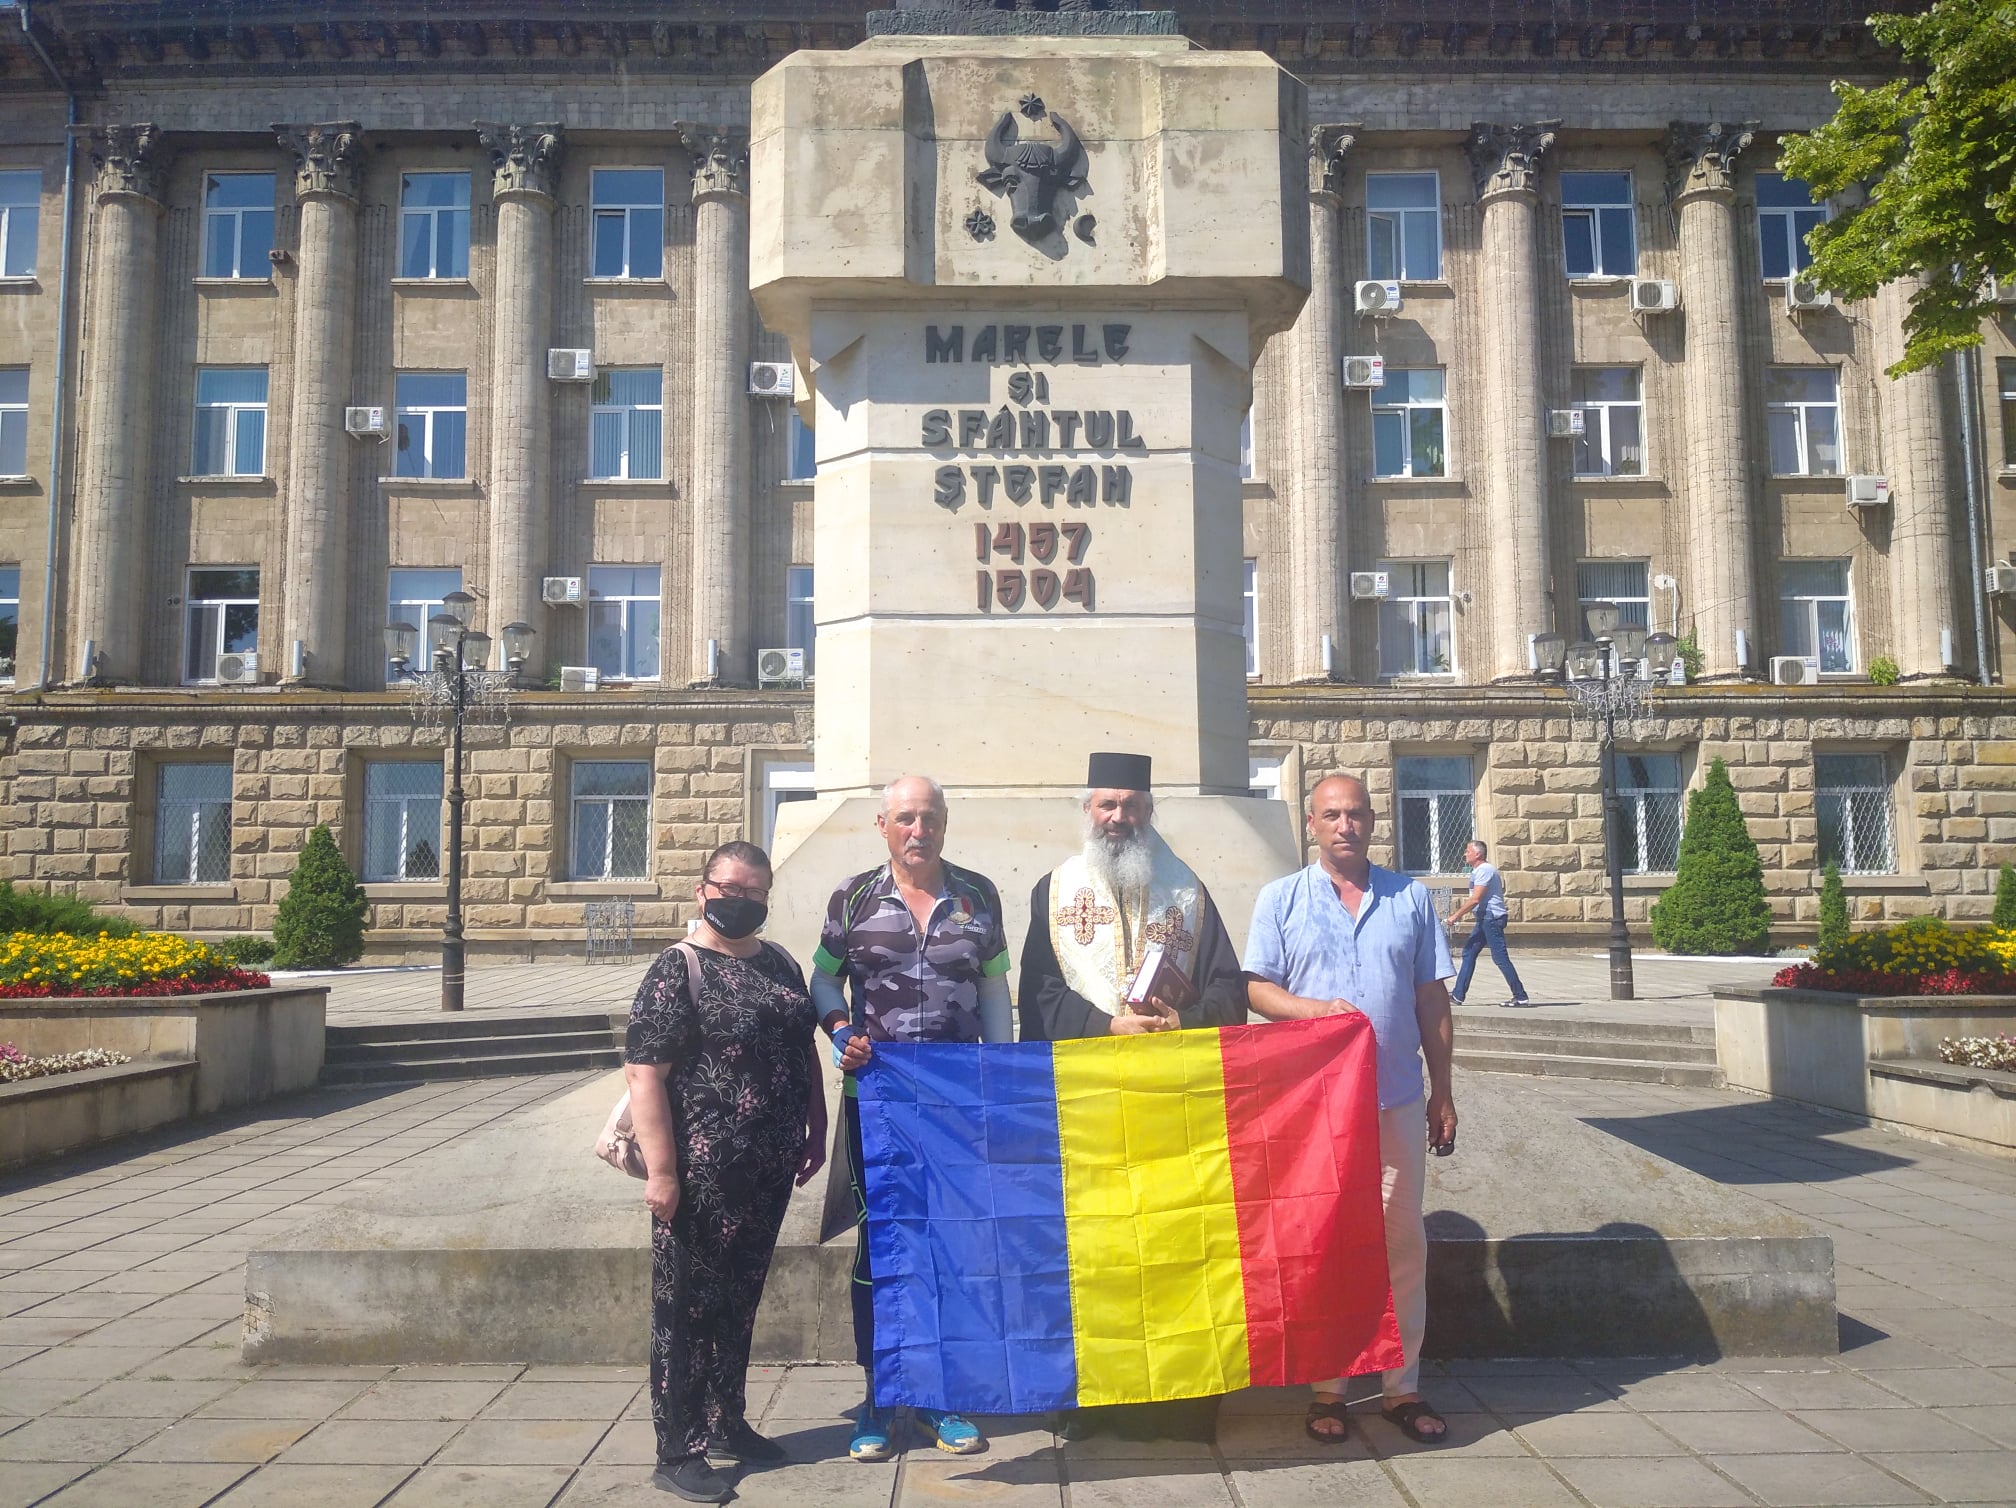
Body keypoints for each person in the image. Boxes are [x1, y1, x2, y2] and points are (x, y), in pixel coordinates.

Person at [1019, 751, 1247, 1441]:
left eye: (1131, 805)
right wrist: (1106, 1026)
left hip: (1167, 1109)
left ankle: (1175, 1401)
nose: (1119, 818)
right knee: (1093, 1254)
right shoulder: (1053, 890)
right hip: (1088, 1109)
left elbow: (1230, 994)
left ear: (1150, 811)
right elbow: (1038, 997)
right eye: (1107, 805)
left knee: (1169, 1249)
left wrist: (1183, 1021)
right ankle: (1095, 1395)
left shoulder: (1190, 892)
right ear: (1087, 811)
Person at [1242, 773, 1457, 1449]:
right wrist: (1315, 1012)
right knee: (1325, 1245)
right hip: (1315, 1109)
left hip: (1393, 1096)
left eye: (1356, 814)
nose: (1345, 826)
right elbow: (1255, 987)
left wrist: (1442, 1090)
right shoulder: (1281, 899)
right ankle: (1329, 1388)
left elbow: (1431, 1000)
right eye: (1332, 815)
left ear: (1372, 821)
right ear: (1312, 823)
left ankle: (1402, 1385)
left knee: (1402, 1243)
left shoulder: (1412, 899)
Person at [811, 775, 1011, 1462]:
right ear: (883, 826)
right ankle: (878, 1395)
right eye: (905, 819)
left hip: (956, 1109)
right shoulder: (854, 897)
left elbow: (993, 990)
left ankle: (936, 1396)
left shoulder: (979, 896)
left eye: (929, 818)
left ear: (945, 824)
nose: (917, 830)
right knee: (880, 1252)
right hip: (881, 1106)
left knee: (949, 1251)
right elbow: (820, 976)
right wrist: (839, 1029)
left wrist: (1001, 1077)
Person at [622, 840, 826, 1505]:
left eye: (754, 892)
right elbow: (644, 1074)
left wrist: (815, 1128)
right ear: (703, 889)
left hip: (766, 1172)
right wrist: (662, 1172)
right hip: (700, 1177)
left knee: (738, 1305)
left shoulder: (781, 963)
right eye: (728, 888)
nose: (740, 901)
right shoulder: (677, 968)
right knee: (686, 1311)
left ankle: (725, 1423)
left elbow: (803, 1049)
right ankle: (676, 1448)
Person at [1447, 838, 1530, 1007]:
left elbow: (1476, 899)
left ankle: (1520, 996)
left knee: (1500, 958)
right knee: (1469, 953)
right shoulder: (1480, 870)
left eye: (1468, 851)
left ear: (1477, 854)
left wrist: (1455, 916)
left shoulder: (1484, 870)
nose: (1465, 854)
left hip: (1491, 919)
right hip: (1485, 918)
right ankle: (1458, 995)